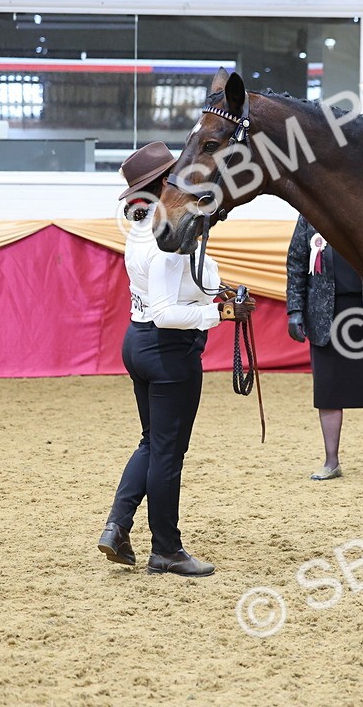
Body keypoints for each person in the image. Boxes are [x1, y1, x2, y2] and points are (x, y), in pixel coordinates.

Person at [98, 141, 255, 577]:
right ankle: (166, 548)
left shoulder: (143, 226)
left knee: (152, 442)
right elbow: (170, 314)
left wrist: (212, 295)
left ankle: (117, 525)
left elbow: (172, 291)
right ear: (163, 183)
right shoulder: (167, 238)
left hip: (138, 341)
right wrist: (219, 313)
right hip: (168, 351)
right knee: (168, 453)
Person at [286, 215, 363, 480]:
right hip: (325, 317)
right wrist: (294, 310)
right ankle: (331, 461)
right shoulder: (310, 216)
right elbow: (295, 262)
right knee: (328, 392)